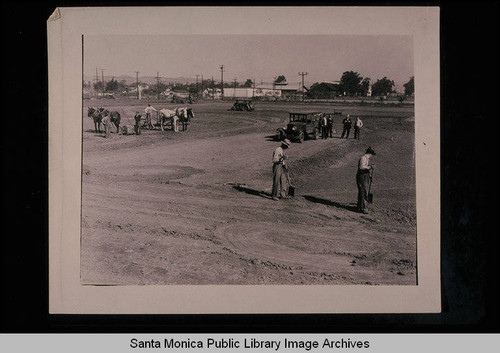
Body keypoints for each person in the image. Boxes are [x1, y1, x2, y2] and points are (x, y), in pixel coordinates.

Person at [356, 147, 376, 214]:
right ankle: (363, 208)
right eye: (371, 154)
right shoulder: (363, 158)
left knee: (363, 191)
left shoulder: (366, 159)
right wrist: (369, 167)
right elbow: (361, 167)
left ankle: (359, 207)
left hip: (364, 176)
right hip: (362, 177)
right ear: (369, 154)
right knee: (363, 192)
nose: (371, 156)